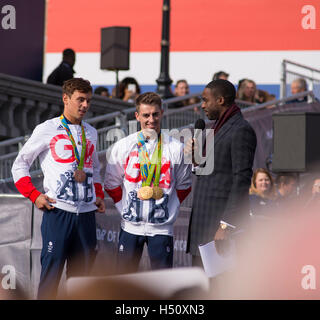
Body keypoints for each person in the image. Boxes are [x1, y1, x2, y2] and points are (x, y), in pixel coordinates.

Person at [11, 78, 106, 299]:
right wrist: (34, 196)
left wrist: (99, 195)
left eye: (88, 101)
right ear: (66, 99)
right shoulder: (47, 129)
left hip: (86, 215)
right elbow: (19, 165)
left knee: (82, 283)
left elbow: (95, 169)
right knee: (51, 277)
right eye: (80, 100)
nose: (85, 105)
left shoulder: (91, 131)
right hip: (58, 213)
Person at [104, 92, 192, 273]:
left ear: (162, 113)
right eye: (146, 115)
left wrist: (168, 209)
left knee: (161, 286)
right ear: (137, 116)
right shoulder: (124, 146)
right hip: (130, 228)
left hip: (161, 229)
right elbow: (111, 183)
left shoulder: (176, 148)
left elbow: (184, 186)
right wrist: (125, 209)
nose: (151, 119)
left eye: (155, 114)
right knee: (124, 283)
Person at [186, 79, 257, 267]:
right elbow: (213, 173)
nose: (202, 105)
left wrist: (226, 225)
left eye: (205, 100)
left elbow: (241, 180)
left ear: (220, 100)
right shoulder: (216, 128)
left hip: (219, 229)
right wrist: (195, 161)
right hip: (203, 226)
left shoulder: (241, 130)